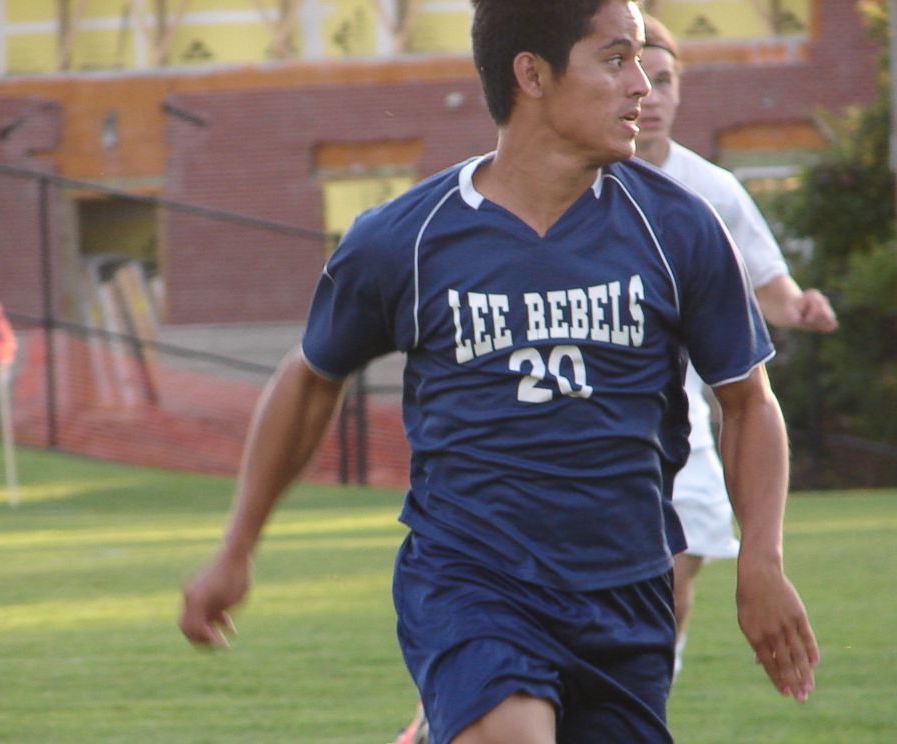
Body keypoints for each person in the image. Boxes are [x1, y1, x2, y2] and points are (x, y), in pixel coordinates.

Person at [179, 2, 819, 742]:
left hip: (628, 591)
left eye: (643, 59)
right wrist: (236, 550)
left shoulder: (679, 228)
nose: (643, 85)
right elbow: (310, 377)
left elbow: (748, 401)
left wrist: (762, 562)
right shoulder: (405, 239)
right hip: (472, 580)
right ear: (532, 75)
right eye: (616, 59)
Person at [635, 13, 838, 678]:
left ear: (678, 90)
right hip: (586, 423)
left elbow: (767, 284)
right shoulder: (574, 182)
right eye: (637, 75)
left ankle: (646, 691)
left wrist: (797, 306)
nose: (651, 94)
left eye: (664, 79)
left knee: (670, 577)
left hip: (682, 423)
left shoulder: (709, 191)